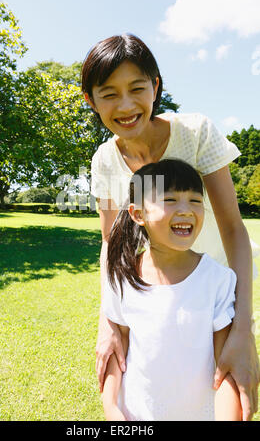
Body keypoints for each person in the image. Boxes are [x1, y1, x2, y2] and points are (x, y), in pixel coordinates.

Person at [81, 33, 260, 421]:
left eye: (137, 89)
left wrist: (243, 331)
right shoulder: (104, 161)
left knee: (223, 395)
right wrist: (107, 323)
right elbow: (111, 243)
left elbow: (233, 230)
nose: (126, 106)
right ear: (90, 100)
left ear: (156, 87)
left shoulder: (195, 133)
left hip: (216, 299)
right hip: (153, 296)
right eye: (109, 93)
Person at [101, 158, 242, 421]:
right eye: (170, 200)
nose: (186, 210)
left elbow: (226, 370)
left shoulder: (218, 280)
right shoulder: (122, 275)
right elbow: (117, 349)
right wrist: (111, 406)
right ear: (138, 214)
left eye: (195, 201)